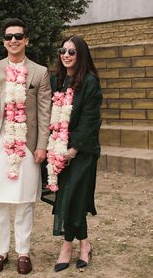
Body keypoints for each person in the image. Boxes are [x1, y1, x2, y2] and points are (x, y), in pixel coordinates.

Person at [0, 18, 51, 275]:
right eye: (9, 37)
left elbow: (44, 113)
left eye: (18, 36)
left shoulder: (39, 72)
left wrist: (42, 146)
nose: (13, 41)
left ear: (26, 40)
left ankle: (23, 253)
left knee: (24, 202)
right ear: (3, 41)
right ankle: (0, 252)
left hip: (27, 147)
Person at [46, 35, 102, 272]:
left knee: (74, 197)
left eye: (72, 52)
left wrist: (73, 149)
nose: (66, 55)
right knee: (69, 197)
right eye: (63, 51)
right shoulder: (58, 80)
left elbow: (91, 120)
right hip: (59, 150)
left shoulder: (89, 82)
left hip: (82, 151)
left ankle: (67, 247)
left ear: (81, 56)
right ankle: (85, 244)